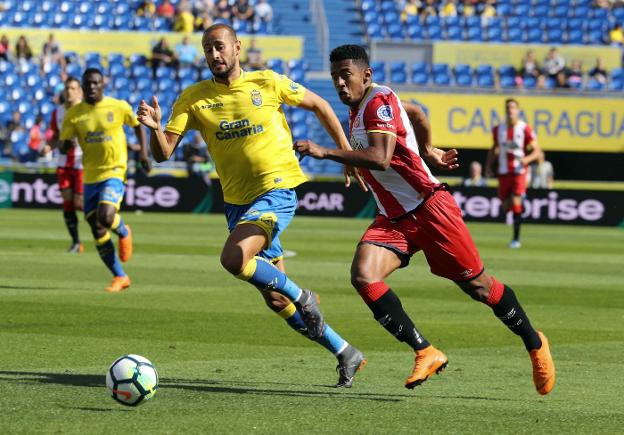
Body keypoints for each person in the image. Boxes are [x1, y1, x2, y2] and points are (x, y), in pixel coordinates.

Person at [294, 44, 555, 395]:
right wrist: (429, 149)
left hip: (430, 209)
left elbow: (382, 157)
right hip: (394, 218)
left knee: (478, 287)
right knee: (364, 275)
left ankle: (535, 343)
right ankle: (426, 351)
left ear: (365, 75)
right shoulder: (363, 108)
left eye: (346, 76)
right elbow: (415, 112)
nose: (340, 84)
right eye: (335, 78)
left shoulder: (377, 100)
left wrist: (326, 151)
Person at [136, 24, 367, 388]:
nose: (214, 55)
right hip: (237, 205)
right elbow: (163, 153)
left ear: (237, 47)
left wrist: (348, 156)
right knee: (276, 299)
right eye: (207, 49)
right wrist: (151, 126)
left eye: (219, 47)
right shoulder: (193, 98)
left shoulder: (268, 82)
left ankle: (301, 293)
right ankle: (345, 351)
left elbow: (321, 105)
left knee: (234, 260)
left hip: (277, 190)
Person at [60, 68, 151, 292]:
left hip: (114, 171)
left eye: (95, 83)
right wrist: (66, 145)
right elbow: (63, 142)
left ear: (103, 84)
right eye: (87, 83)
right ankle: (120, 277)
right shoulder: (74, 113)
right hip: (90, 176)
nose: (91, 86)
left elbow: (138, 125)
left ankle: (123, 231)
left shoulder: (118, 106)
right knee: (96, 228)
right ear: (82, 86)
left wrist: (143, 154)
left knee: (106, 215)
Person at [486, 98, 541, 249]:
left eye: (513, 107)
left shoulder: (525, 129)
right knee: (505, 206)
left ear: (518, 110)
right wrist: (489, 166)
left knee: (516, 203)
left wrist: (527, 159)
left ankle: (516, 239)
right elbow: (495, 148)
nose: (511, 110)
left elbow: (537, 152)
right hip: (504, 172)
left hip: (519, 171)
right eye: (508, 107)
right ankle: (518, 202)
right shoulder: (498, 129)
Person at [51, 77, 85, 253]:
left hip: (82, 162)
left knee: (80, 203)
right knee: (67, 202)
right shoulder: (57, 112)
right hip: (63, 162)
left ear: (80, 91)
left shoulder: (86, 110)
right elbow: (55, 136)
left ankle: (104, 222)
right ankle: (76, 242)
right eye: (67, 88)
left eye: (73, 88)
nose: (69, 91)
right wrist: (48, 146)